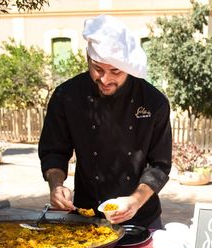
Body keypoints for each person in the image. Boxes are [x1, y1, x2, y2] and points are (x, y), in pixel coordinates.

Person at [39, 14, 172, 229]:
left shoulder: (154, 102)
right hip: (86, 216)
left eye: (115, 71)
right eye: (98, 69)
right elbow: (54, 151)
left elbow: (159, 165)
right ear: (87, 58)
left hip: (141, 218)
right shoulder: (67, 96)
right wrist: (56, 185)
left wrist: (135, 200)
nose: (106, 79)